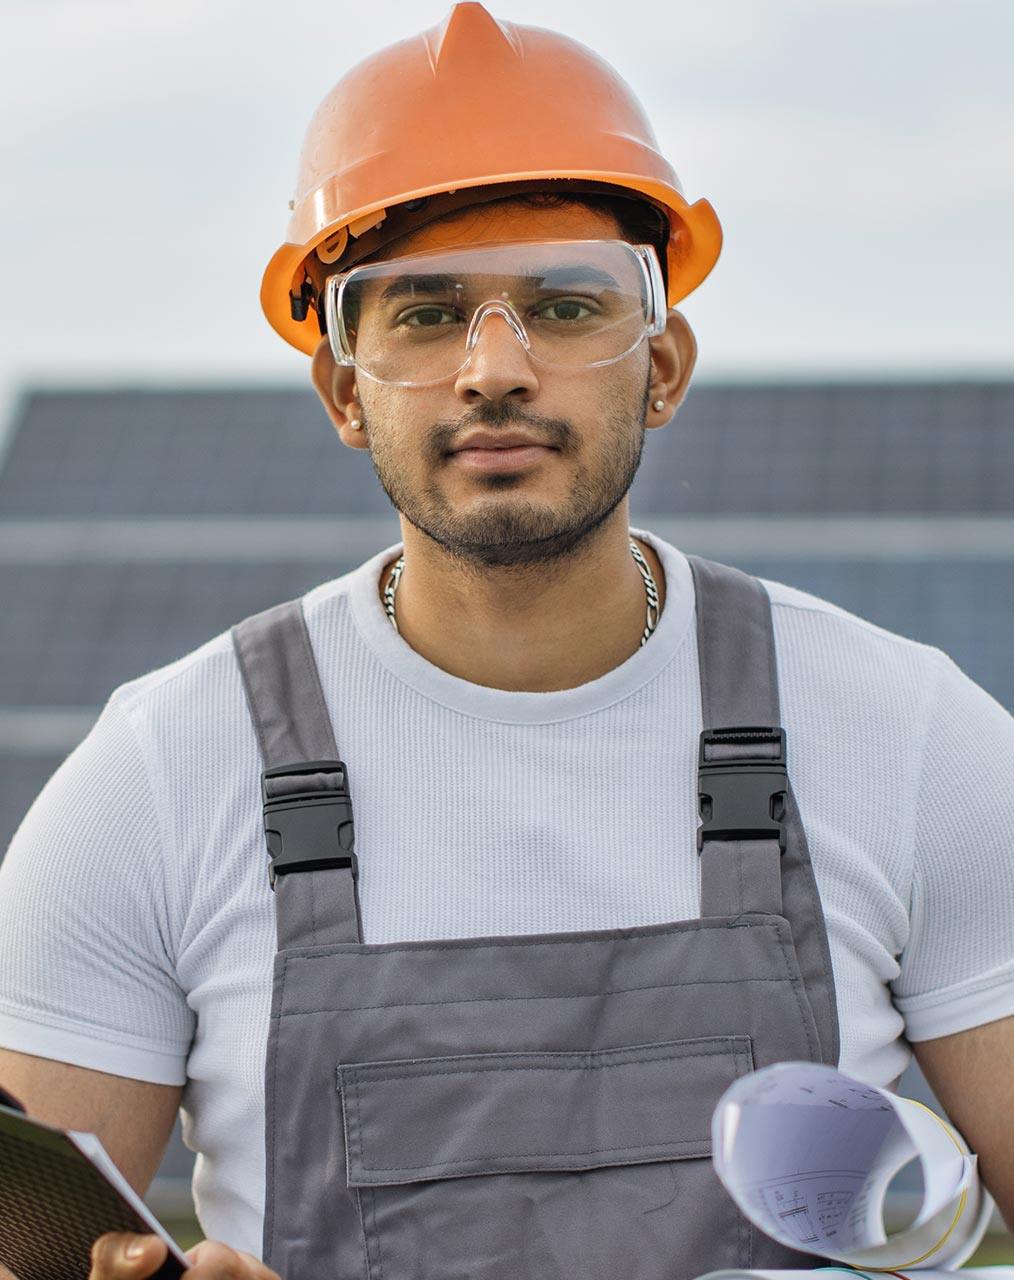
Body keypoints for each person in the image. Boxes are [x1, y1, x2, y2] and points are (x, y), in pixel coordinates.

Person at [2, 5, 1013, 1280]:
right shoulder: (155, 782)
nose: (495, 368)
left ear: (663, 363)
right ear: (342, 391)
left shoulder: (909, 738)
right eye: (422, 315)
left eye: (565, 303)